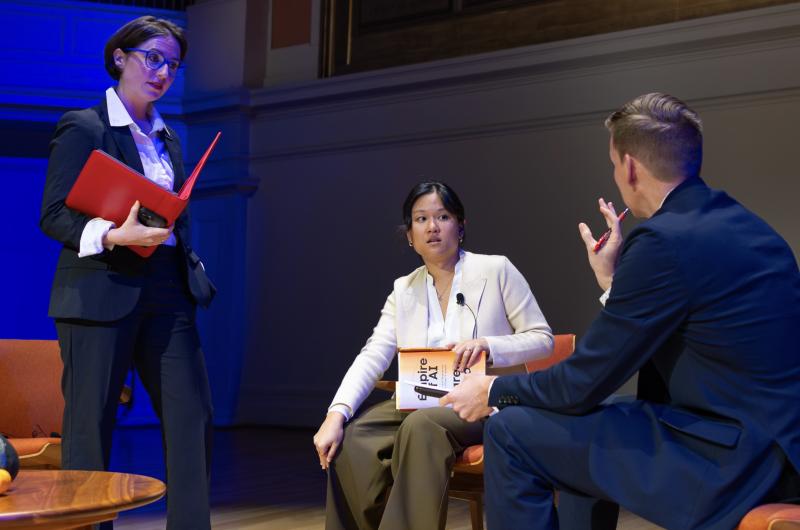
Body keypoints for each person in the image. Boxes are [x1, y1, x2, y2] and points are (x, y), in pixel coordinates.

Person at [442, 93, 800, 529]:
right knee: (585, 419)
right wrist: (613, 281)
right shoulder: (748, 227)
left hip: (734, 462)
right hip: (778, 450)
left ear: (629, 166)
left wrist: (494, 391)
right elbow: (697, 323)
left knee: (511, 431)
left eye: (613, 164)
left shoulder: (662, 241)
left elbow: (583, 382)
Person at [40, 16, 215, 530]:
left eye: (173, 65)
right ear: (120, 57)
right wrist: (115, 235)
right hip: (100, 288)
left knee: (192, 418)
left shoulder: (169, 138)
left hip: (167, 289)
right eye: (153, 58)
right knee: (89, 429)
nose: (163, 73)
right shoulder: (85, 126)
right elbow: (53, 214)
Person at [313, 181, 553, 530]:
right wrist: (335, 415)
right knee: (354, 438)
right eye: (421, 219)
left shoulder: (496, 270)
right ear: (410, 235)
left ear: (461, 226)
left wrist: (489, 345)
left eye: (442, 216)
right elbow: (373, 355)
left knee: (422, 426)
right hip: (421, 399)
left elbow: (542, 339)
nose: (432, 227)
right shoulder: (403, 289)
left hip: (482, 402)